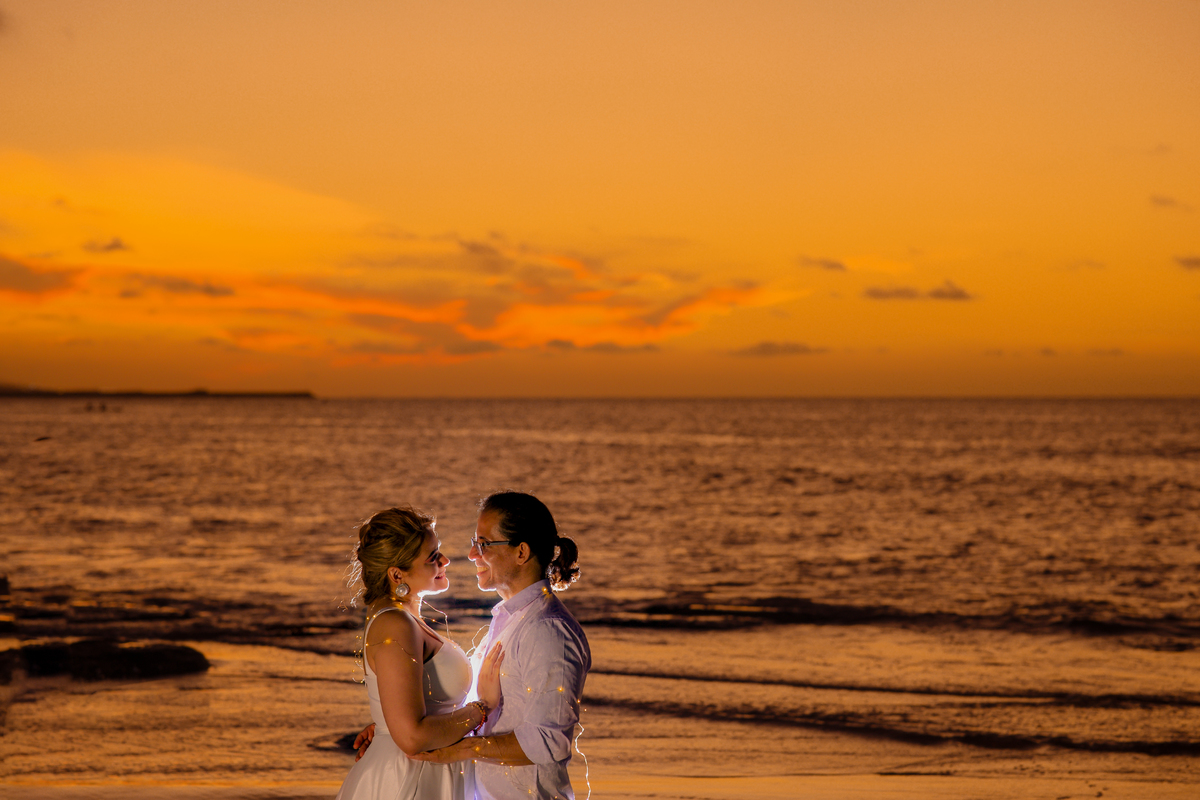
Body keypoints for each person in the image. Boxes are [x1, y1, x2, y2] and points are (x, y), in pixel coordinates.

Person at [411, 491, 592, 800]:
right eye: (474, 542)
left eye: (484, 544)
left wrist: (465, 749)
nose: (471, 554)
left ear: (521, 552)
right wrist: (398, 728)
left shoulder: (548, 631)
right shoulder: (507, 619)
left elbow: (548, 741)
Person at [337, 506, 504, 800]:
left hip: (427, 771)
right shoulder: (394, 624)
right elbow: (412, 738)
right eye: (432, 557)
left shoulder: (404, 620)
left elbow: (410, 714)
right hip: (409, 779)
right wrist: (482, 708)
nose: (445, 561)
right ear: (397, 574)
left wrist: (388, 724)